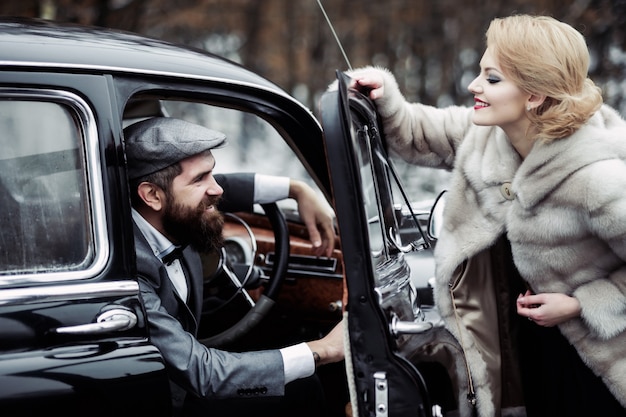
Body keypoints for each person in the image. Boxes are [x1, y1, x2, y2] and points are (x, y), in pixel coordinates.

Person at [343, 14, 626, 417]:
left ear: (533, 96)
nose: (474, 86)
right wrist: (384, 95)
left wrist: (581, 304)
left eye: (492, 79)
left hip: (594, 364)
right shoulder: (489, 136)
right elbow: (415, 132)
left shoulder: (598, 178)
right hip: (523, 351)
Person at [123, 116, 345, 417]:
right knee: (303, 389)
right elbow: (203, 373)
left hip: (183, 376)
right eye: (200, 179)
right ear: (151, 195)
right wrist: (324, 349)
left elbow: (225, 186)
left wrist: (296, 189)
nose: (217, 189)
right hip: (169, 399)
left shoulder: (169, 211)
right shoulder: (129, 271)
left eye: (212, 173)